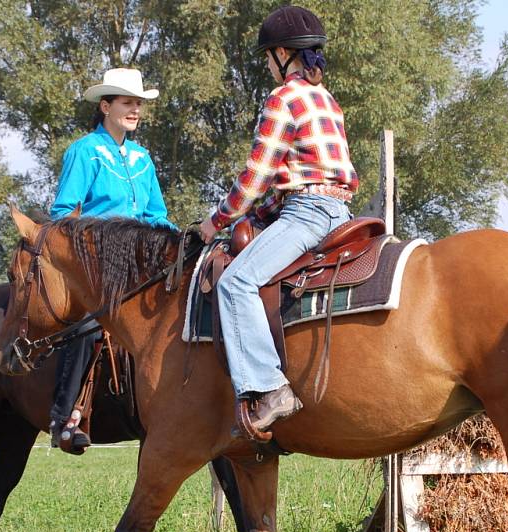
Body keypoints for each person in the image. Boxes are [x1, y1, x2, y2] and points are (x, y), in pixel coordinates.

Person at [199, 6, 359, 434]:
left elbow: (256, 177)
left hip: (308, 214)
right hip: (340, 211)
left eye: (269, 56)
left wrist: (216, 221)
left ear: (284, 53)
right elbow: (303, 175)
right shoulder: (328, 100)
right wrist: (260, 214)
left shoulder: (283, 98)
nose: (269, 65)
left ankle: (269, 388)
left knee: (236, 283)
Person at [49, 67, 175, 453]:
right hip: (98, 263)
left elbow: (156, 214)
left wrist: (178, 240)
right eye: (127, 102)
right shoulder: (85, 151)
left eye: (138, 103)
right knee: (88, 326)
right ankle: (65, 416)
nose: (134, 109)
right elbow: (63, 213)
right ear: (106, 106)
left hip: (142, 261)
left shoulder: (142, 158)